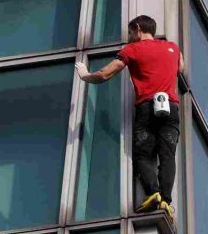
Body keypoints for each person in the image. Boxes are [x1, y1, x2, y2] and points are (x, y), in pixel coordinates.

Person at [75, 15, 183, 220]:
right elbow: (181, 68)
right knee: (168, 155)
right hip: (171, 108)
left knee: (143, 153)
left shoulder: (131, 50)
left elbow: (105, 74)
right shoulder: (173, 48)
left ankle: (153, 193)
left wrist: (85, 75)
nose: (130, 35)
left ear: (137, 28)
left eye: (130, 31)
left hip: (147, 107)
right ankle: (166, 202)